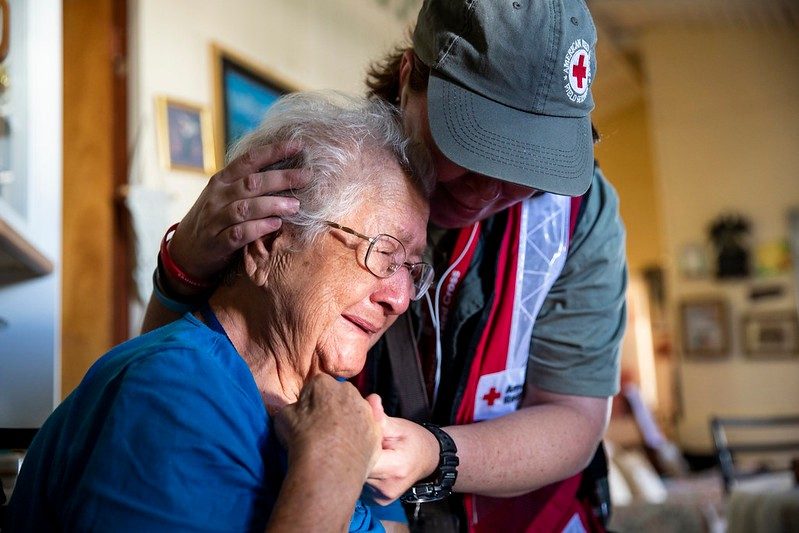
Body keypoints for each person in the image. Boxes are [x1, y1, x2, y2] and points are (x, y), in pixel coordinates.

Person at [142, 1, 627, 531]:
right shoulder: (324, 173)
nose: (489, 192)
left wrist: (434, 453)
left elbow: (575, 416)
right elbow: (175, 383)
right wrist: (182, 267)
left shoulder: (578, 216)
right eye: (477, 147)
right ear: (408, 79)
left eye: (527, 168)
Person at [5, 92, 433, 532]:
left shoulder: (333, 402)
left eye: (413, 271)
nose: (399, 299)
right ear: (268, 246)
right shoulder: (171, 394)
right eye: (384, 253)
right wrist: (333, 467)